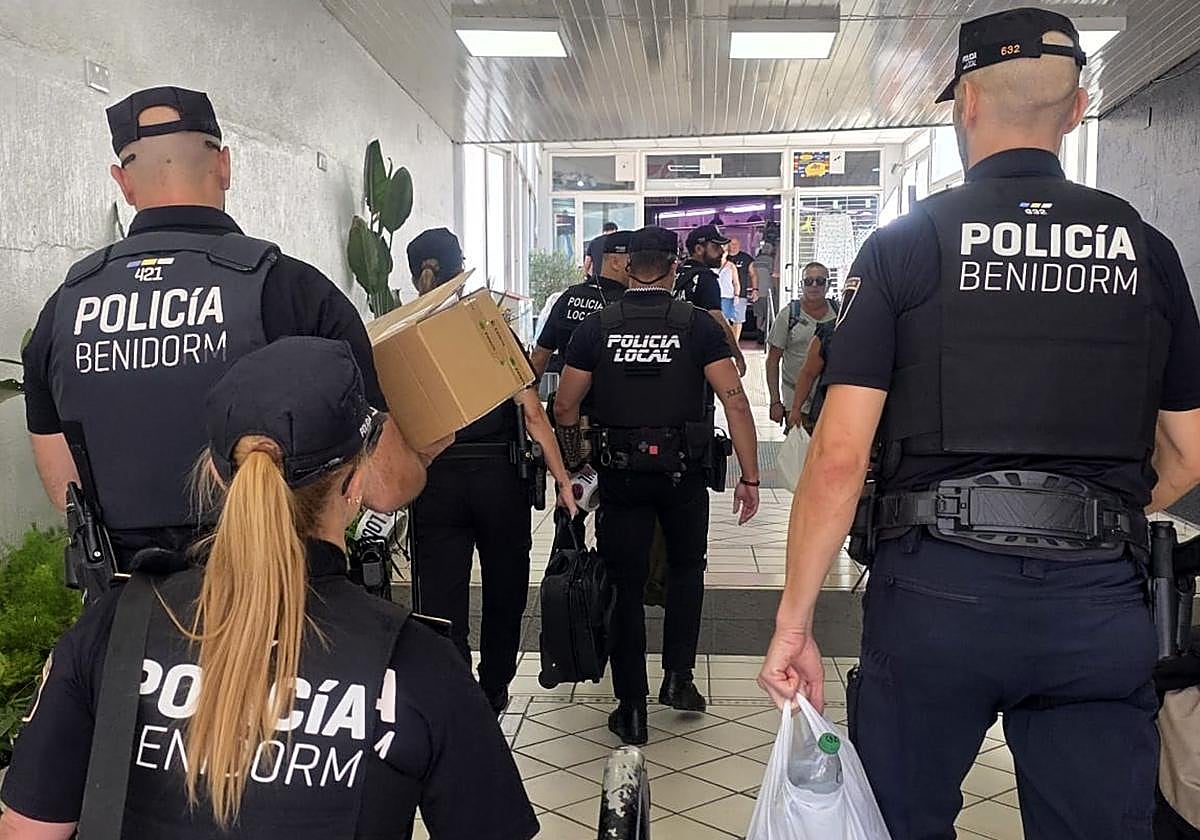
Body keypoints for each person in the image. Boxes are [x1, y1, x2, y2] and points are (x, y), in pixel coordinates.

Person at [757, 9, 1200, 840]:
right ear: (1078, 108)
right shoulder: (1148, 251)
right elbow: (1187, 451)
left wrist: (794, 623)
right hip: (1097, 599)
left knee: (899, 822)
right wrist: (1095, 516)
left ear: (965, 103)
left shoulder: (906, 246)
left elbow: (840, 456)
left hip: (936, 593)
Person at [0, 337, 539, 840]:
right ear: (355, 482)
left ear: (217, 476)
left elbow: (28, 830)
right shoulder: (418, 664)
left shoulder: (117, 625)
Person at [19, 86, 432, 573]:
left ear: (123, 183)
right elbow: (383, 485)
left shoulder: (62, 310)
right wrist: (421, 457)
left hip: (125, 609)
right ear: (224, 166)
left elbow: (65, 491)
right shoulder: (295, 293)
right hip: (273, 603)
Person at [555, 226, 761, 745]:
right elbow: (735, 401)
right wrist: (750, 476)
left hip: (620, 474)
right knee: (687, 570)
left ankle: (631, 708)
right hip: (683, 474)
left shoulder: (598, 327)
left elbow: (564, 404)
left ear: (628, 268)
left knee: (623, 584)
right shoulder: (697, 326)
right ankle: (679, 679)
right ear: (674, 268)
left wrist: (576, 461)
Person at [406, 228, 578, 714]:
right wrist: (563, 480)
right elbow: (534, 415)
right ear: (459, 268)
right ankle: (495, 685)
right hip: (498, 479)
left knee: (439, 595)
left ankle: (457, 688)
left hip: (434, 480)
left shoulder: (404, 335)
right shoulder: (488, 327)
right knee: (505, 587)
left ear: (417, 274)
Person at [765, 262, 837, 433]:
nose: (814, 286)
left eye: (820, 281)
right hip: (796, 399)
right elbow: (772, 361)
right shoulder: (788, 315)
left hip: (828, 398)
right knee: (798, 447)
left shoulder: (839, 313)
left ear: (828, 285)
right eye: (808, 281)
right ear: (802, 285)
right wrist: (775, 401)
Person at [676, 224, 746, 376]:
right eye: (715, 247)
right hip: (696, 355)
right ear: (699, 249)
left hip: (672, 351)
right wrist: (737, 354)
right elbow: (718, 319)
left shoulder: (675, 274)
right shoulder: (706, 278)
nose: (722, 251)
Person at [726, 237, 757, 344]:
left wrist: (755, 289)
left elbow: (753, 275)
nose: (733, 246)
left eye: (735, 244)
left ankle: (735, 342)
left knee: (738, 320)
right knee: (724, 319)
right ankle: (728, 341)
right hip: (725, 294)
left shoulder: (746, 258)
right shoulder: (723, 258)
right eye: (731, 244)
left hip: (741, 294)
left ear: (739, 245)